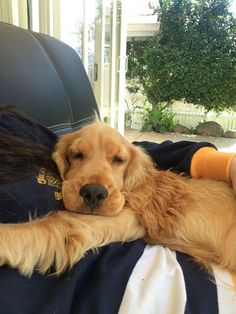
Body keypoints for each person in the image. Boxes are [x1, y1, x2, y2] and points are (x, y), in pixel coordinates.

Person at [0, 106, 235, 314]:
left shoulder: (139, 191)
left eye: (117, 161)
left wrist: (226, 164)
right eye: (79, 156)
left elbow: (71, 231)